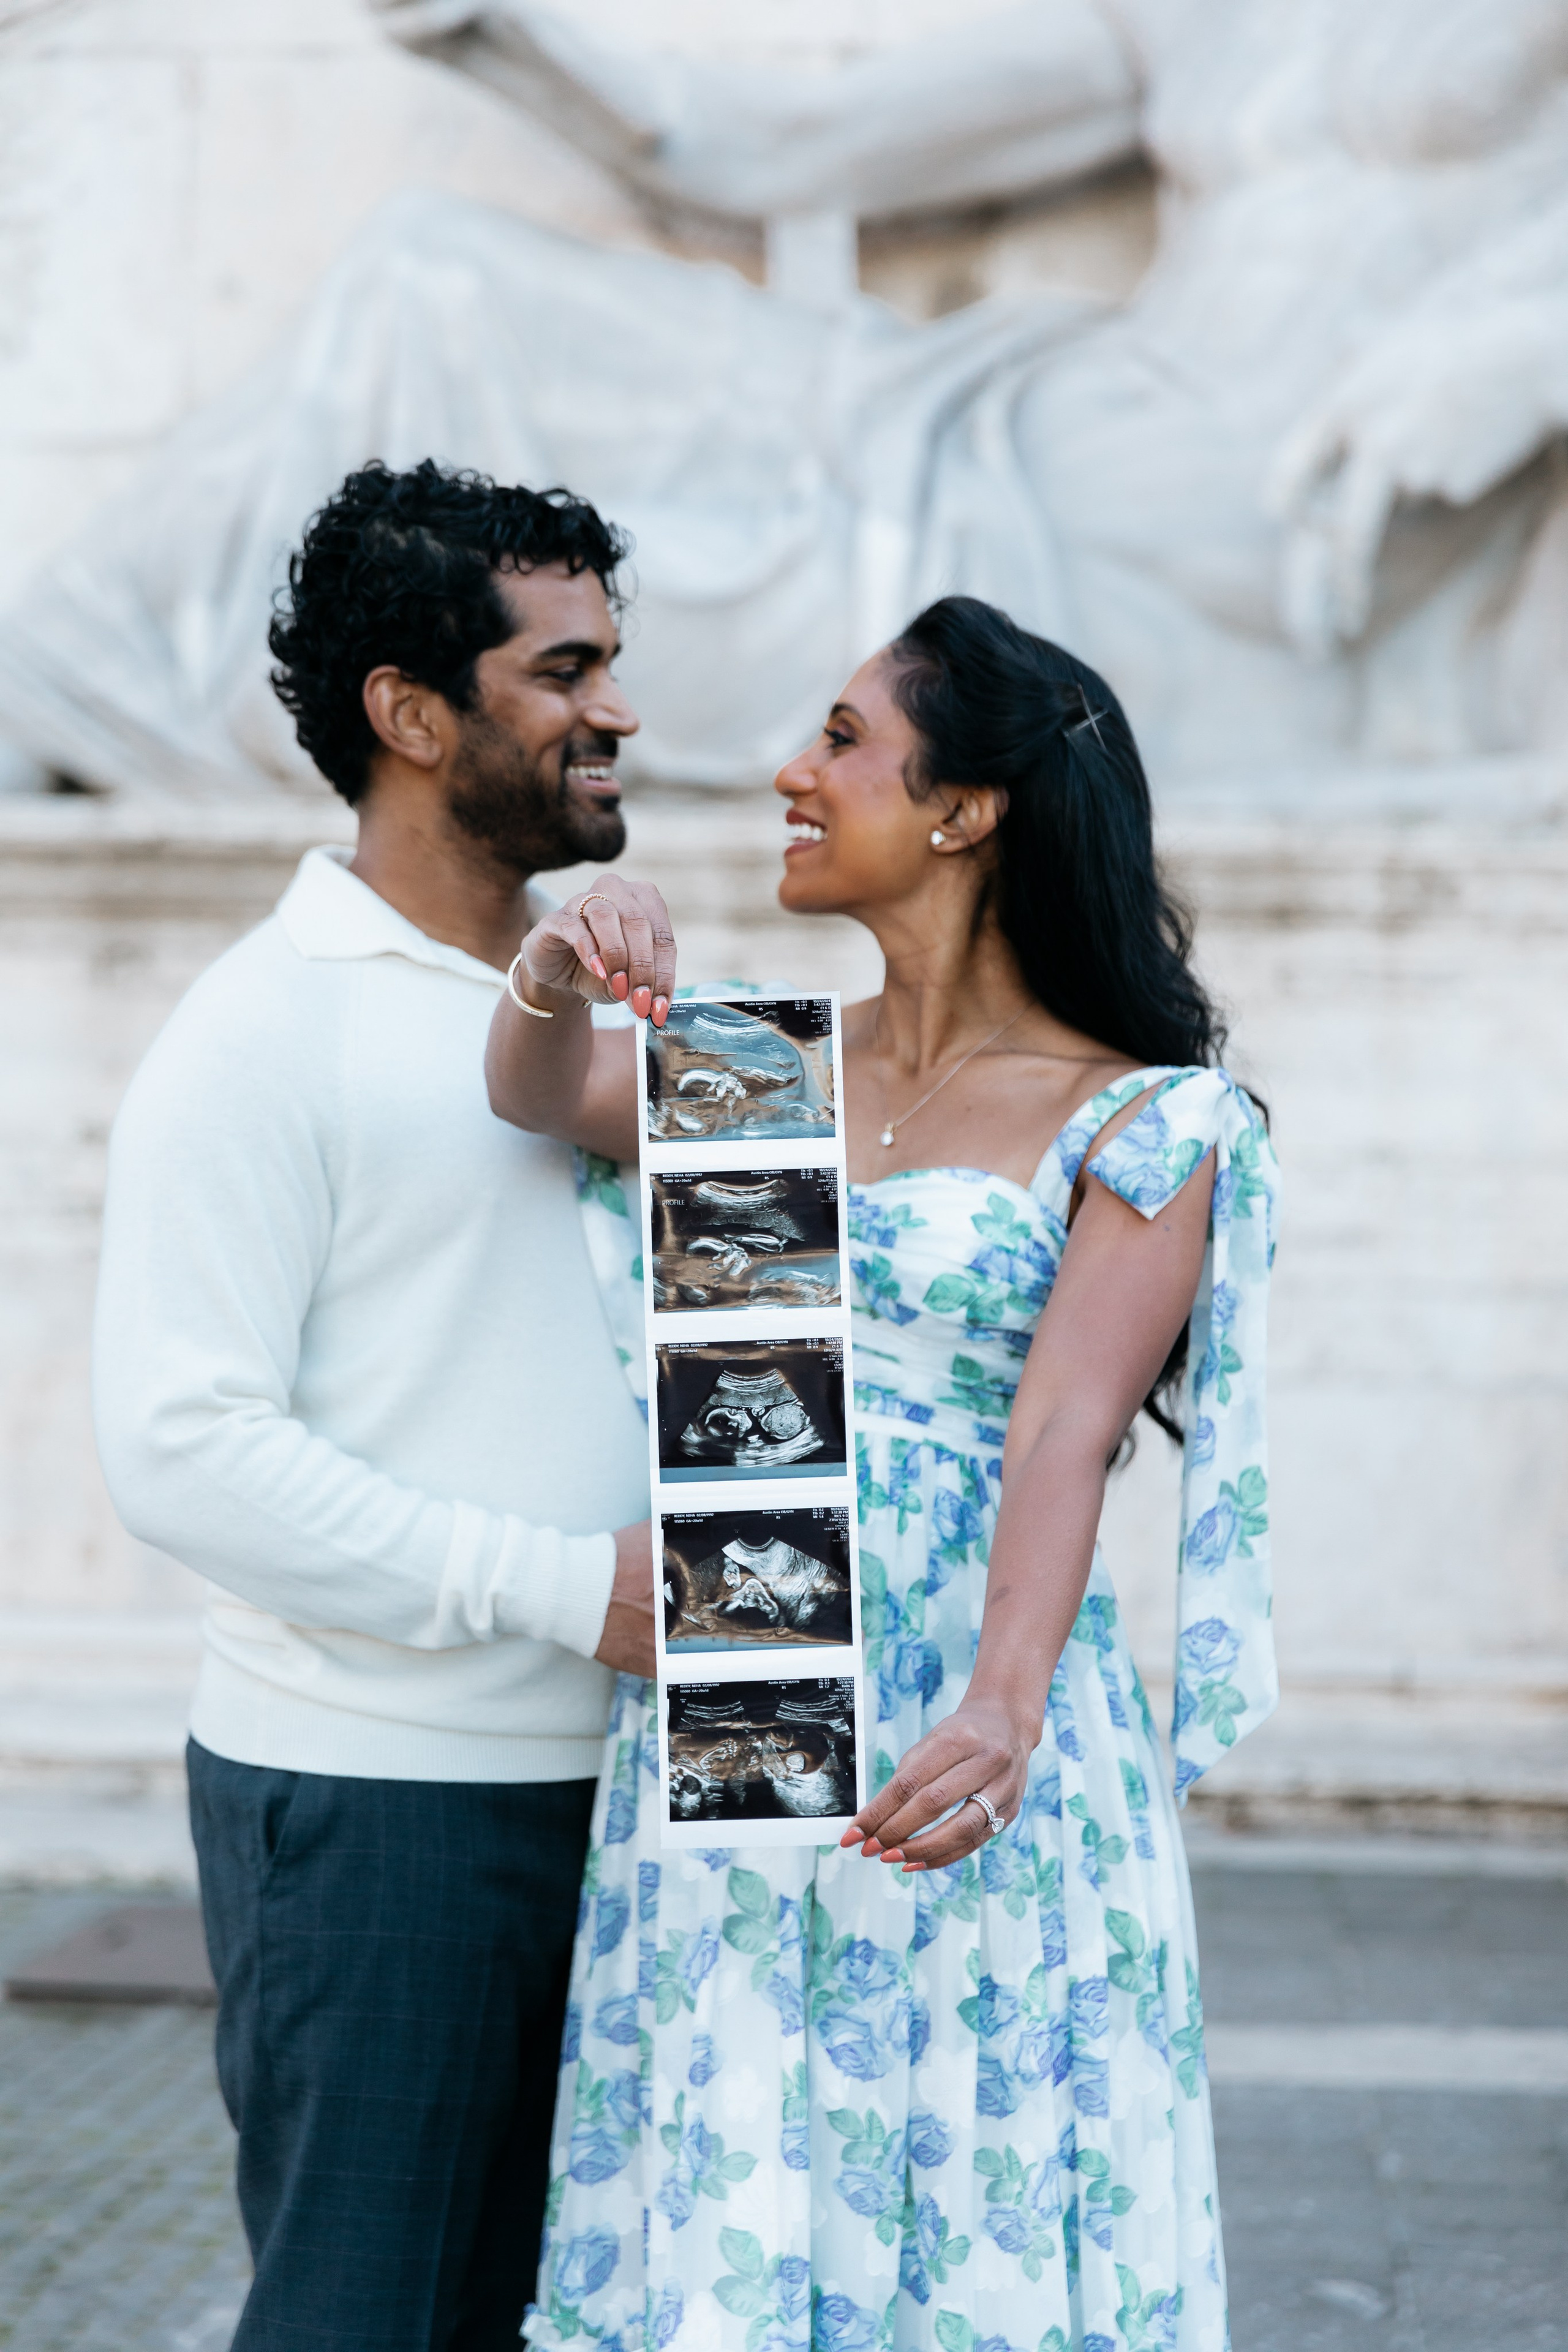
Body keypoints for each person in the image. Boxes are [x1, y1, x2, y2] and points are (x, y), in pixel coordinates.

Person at [486, 594, 1279, 2350]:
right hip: (749, 1686)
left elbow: (1064, 1428)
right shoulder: (759, 1072)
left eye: (842, 740)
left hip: (969, 1718)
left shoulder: (1141, 1117)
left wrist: (1001, 1709)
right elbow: (541, 1093)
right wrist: (552, 964)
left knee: (957, 2177)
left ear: (965, 809)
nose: (792, 770)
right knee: (747, 2155)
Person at [91, 459, 676, 2352]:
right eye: (564, 670)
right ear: (413, 717)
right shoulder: (263, 1033)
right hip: (380, 1822)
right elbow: (181, 1451)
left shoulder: (608, 1011)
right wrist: (565, 1589)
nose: (617, 709)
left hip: (644, 1805)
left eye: (610, 661)